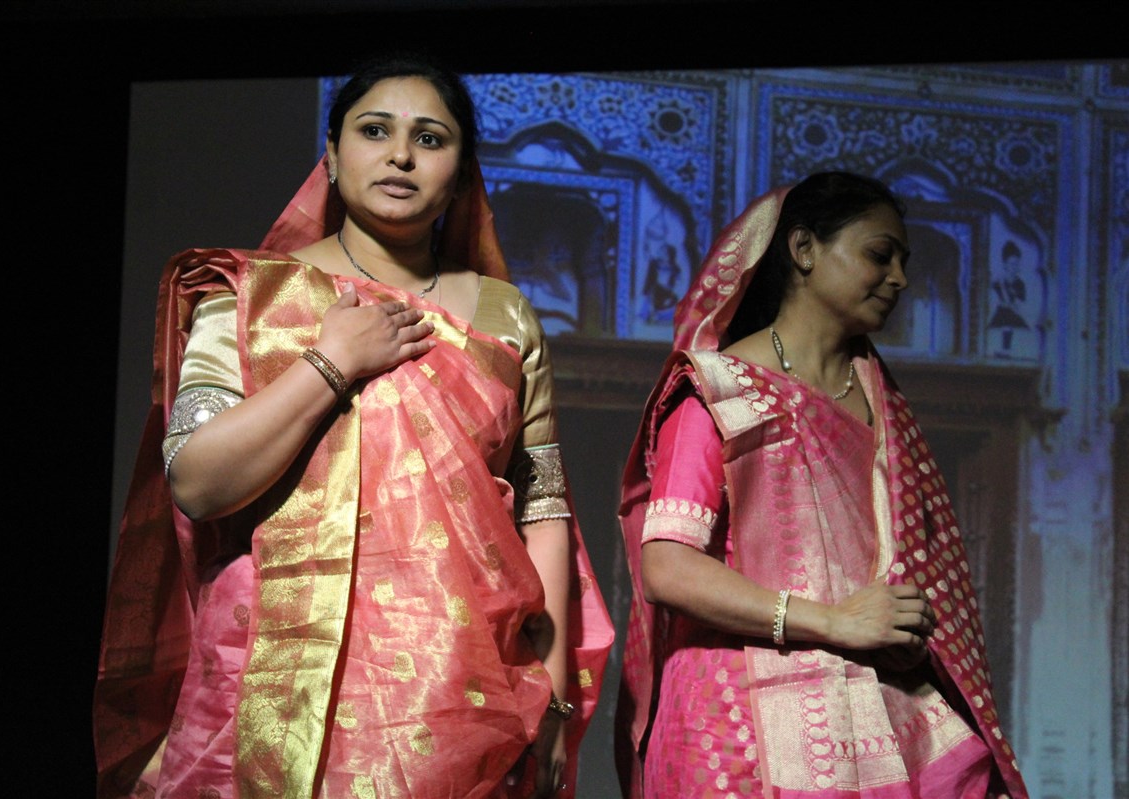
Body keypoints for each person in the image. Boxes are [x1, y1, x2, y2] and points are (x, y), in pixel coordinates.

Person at [95, 52, 613, 799]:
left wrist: (556, 693)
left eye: (430, 138)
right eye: (374, 131)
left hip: (462, 689)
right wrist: (331, 362)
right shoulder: (249, 298)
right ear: (332, 158)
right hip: (272, 680)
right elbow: (198, 484)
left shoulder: (506, 316)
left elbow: (542, 507)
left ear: (461, 174)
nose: (401, 154)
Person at [616, 172, 1027, 798]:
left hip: (880, 703)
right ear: (804, 249)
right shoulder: (717, 393)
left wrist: (880, 627)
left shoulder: (885, 406)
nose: (899, 279)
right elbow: (668, 568)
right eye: (879, 254)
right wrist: (832, 622)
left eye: (904, 261)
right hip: (736, 726)